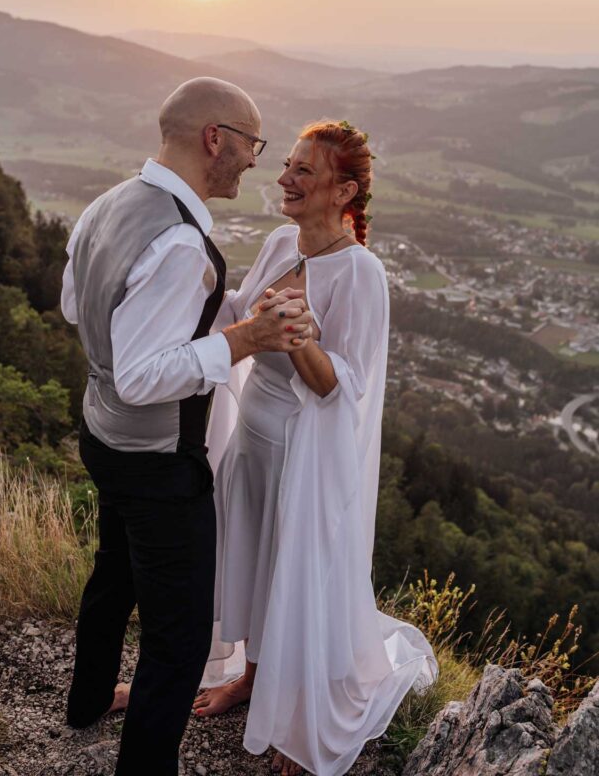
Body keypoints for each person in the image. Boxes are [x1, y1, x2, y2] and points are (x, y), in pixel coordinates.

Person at [60, 77, 313, 776]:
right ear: (215, 139)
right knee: (175, 638)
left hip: (99, 434)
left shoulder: (110, 203)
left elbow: (77, 310)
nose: (255, 161)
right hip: (157, 462)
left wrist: (216, 313)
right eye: (252, 144)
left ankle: (85, 702)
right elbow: (144, 378)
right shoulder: (177, 242)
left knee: (113, 574)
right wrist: (245, 339)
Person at [193, 120, 438, 776]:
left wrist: (298, 337)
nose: (285, 178)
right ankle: (250, 678)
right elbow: (243, 312)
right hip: (258, 434)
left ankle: (300, 722)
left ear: (344, 190)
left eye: (304, 170)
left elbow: (343, 387)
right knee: (255, 559)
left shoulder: (359, 274)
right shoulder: (277, 240)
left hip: (307, 450)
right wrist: (197, 279)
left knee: (298, 571)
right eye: (289, 166)